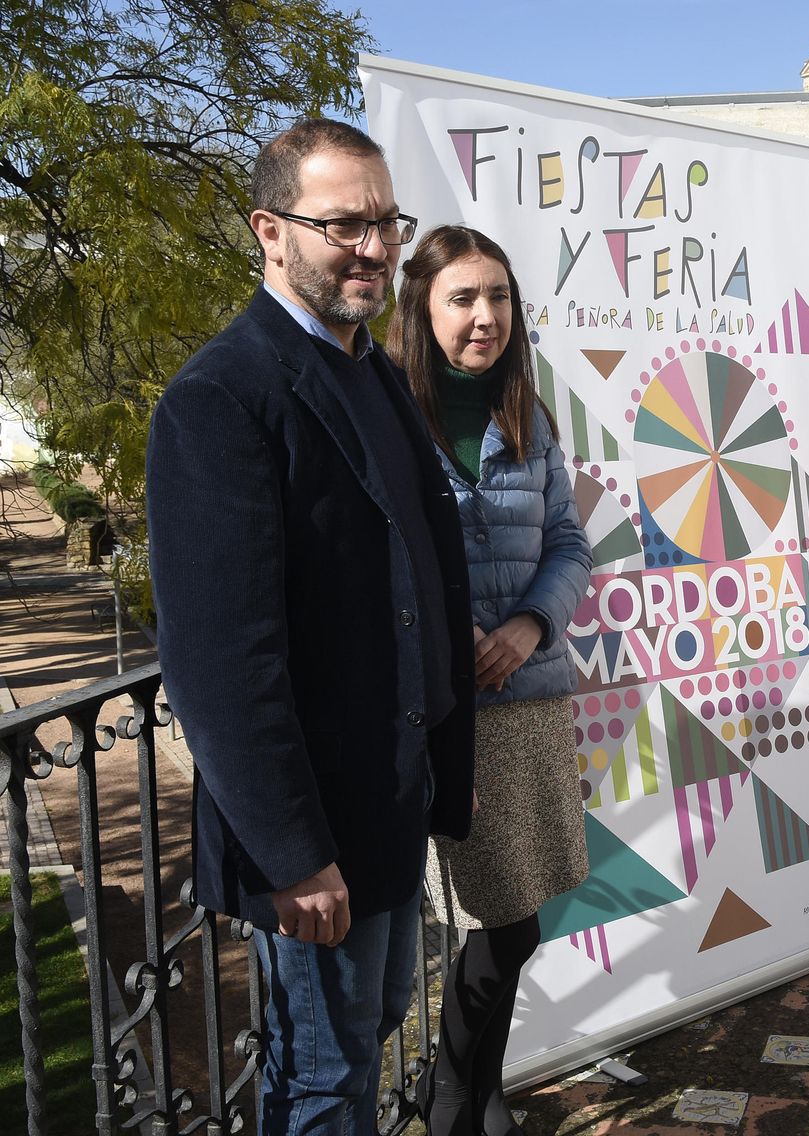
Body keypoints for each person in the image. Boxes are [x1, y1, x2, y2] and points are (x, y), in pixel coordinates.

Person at [145, 121, 475, 1134]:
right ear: (270, 231)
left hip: (387, 802)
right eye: (343, 224)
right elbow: (218, 659)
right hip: (313, 832)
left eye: (384, 220)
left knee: (369, 1028)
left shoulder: (371, 370)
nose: (373, 247)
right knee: (327, 1083)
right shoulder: (220, 397)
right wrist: (290, 853)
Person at [387, 226, 593, 1136]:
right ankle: (454, 1098)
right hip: (438, 705)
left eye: (499, 297)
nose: (484, 316)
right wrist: (444, 631)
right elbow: (377, 551)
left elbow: (570, 543)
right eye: (463, 298)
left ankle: (475, 1089)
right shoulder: (389, 411)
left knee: (517, 919)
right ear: (423, 310)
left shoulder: (527, 414)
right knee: (491, 921)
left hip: (528, 698)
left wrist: (528, 622)